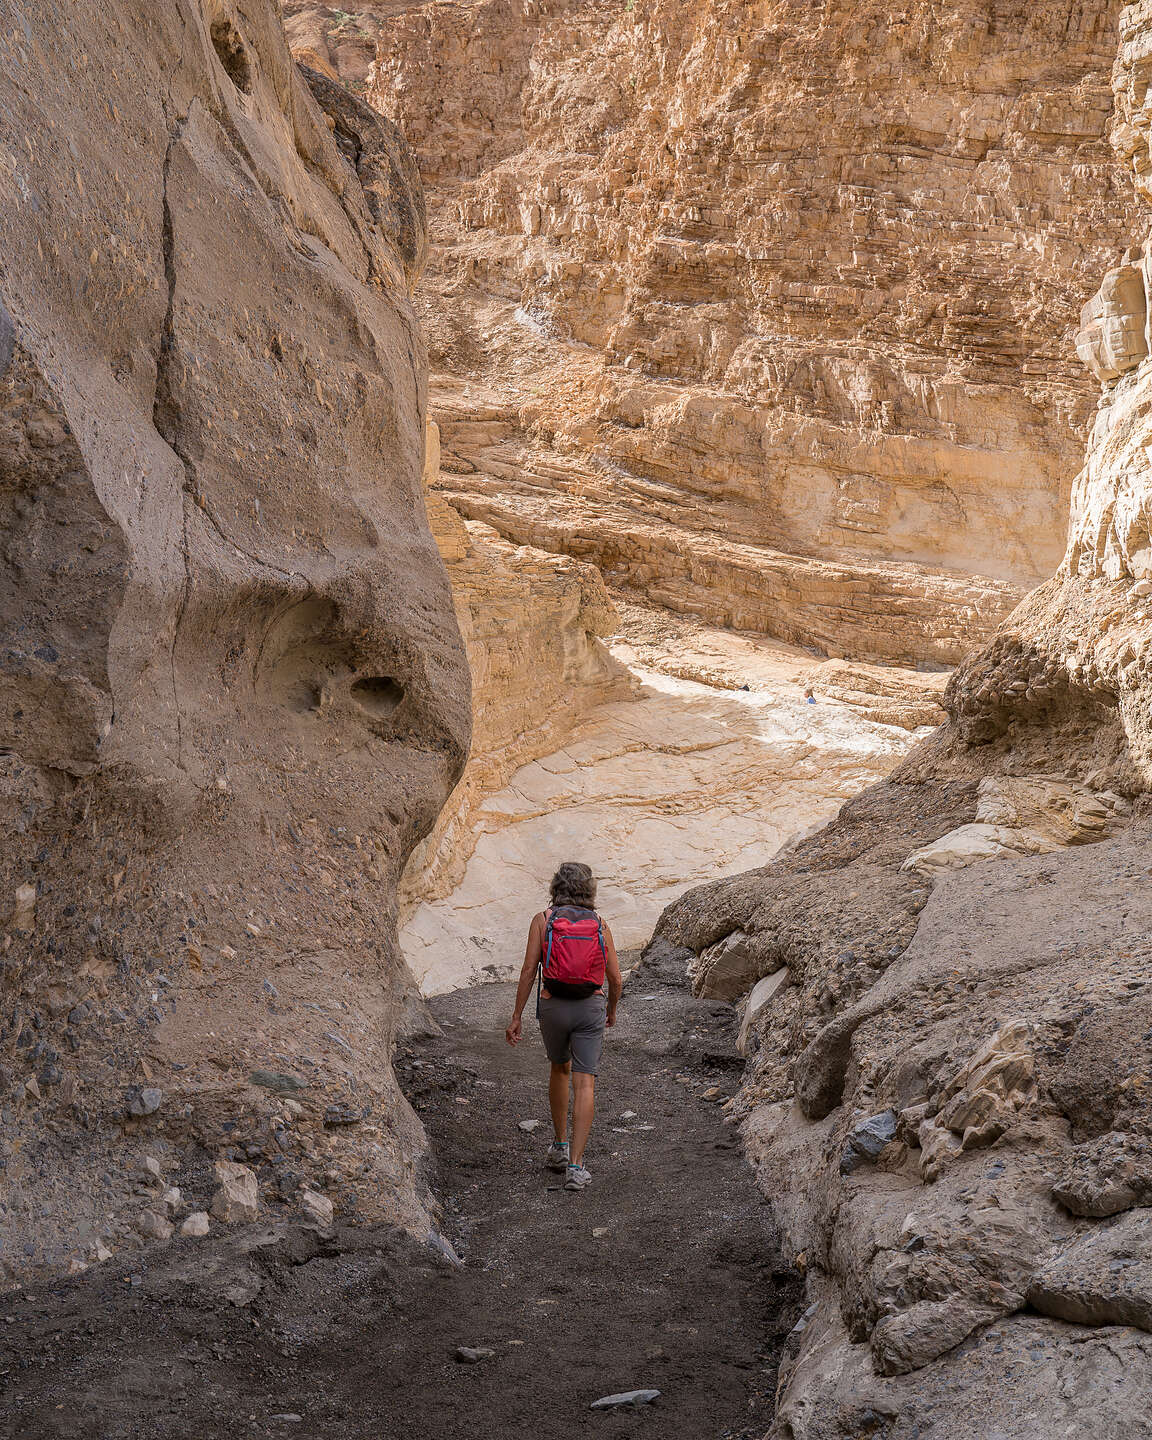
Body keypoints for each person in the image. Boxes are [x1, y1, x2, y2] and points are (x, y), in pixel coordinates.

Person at [505, 862, 622, 1191]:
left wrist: (516, 1016)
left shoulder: (542, 921)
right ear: (590, 889)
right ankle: (576, 1165)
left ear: (556, 886)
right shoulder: (600, 923)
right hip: (590, 1007)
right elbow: (614, 977)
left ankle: (559, 1147)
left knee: (559, 1068)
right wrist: (610, 1009)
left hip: (553, 1006)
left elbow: (529, 971)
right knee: (585, 1084)